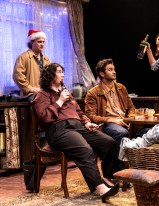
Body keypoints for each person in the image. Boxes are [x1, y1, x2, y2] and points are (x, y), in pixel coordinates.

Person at [31, 63, 119, 203]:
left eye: (62, 72)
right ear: (50, 76)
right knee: (85, 150)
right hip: (59, 130)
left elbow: (79, 112)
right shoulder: (42, 95)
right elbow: (44, 117)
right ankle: (100, 188)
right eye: (59, 72)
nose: (63, 75)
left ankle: (107, 178)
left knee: (108, 143)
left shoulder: (66, 94)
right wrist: (59, 102)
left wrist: (87, 123)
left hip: (78, 127)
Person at [84, 58, 137, 171]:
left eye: (114, 69)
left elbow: (131, 108)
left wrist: (131, 119)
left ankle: (142, 169)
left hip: (125, 120)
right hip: (108, 124)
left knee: (146, 131)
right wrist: (110, 120)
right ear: (102, 73)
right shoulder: (93, 93)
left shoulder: (121, 88)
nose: (114, 72)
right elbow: (91, 116)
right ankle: (120, 172)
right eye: (110, 70)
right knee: (121, 133)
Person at [13, 29, 51, 101]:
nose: (42, 44)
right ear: (31, 42)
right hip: (29, 94)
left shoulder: (46, 60)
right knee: (43, 101)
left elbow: (50, 77)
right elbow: (17, 75)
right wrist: (29, 88)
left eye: (43, 42)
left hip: (44, 93)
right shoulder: (23, 57)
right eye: (39, 42)